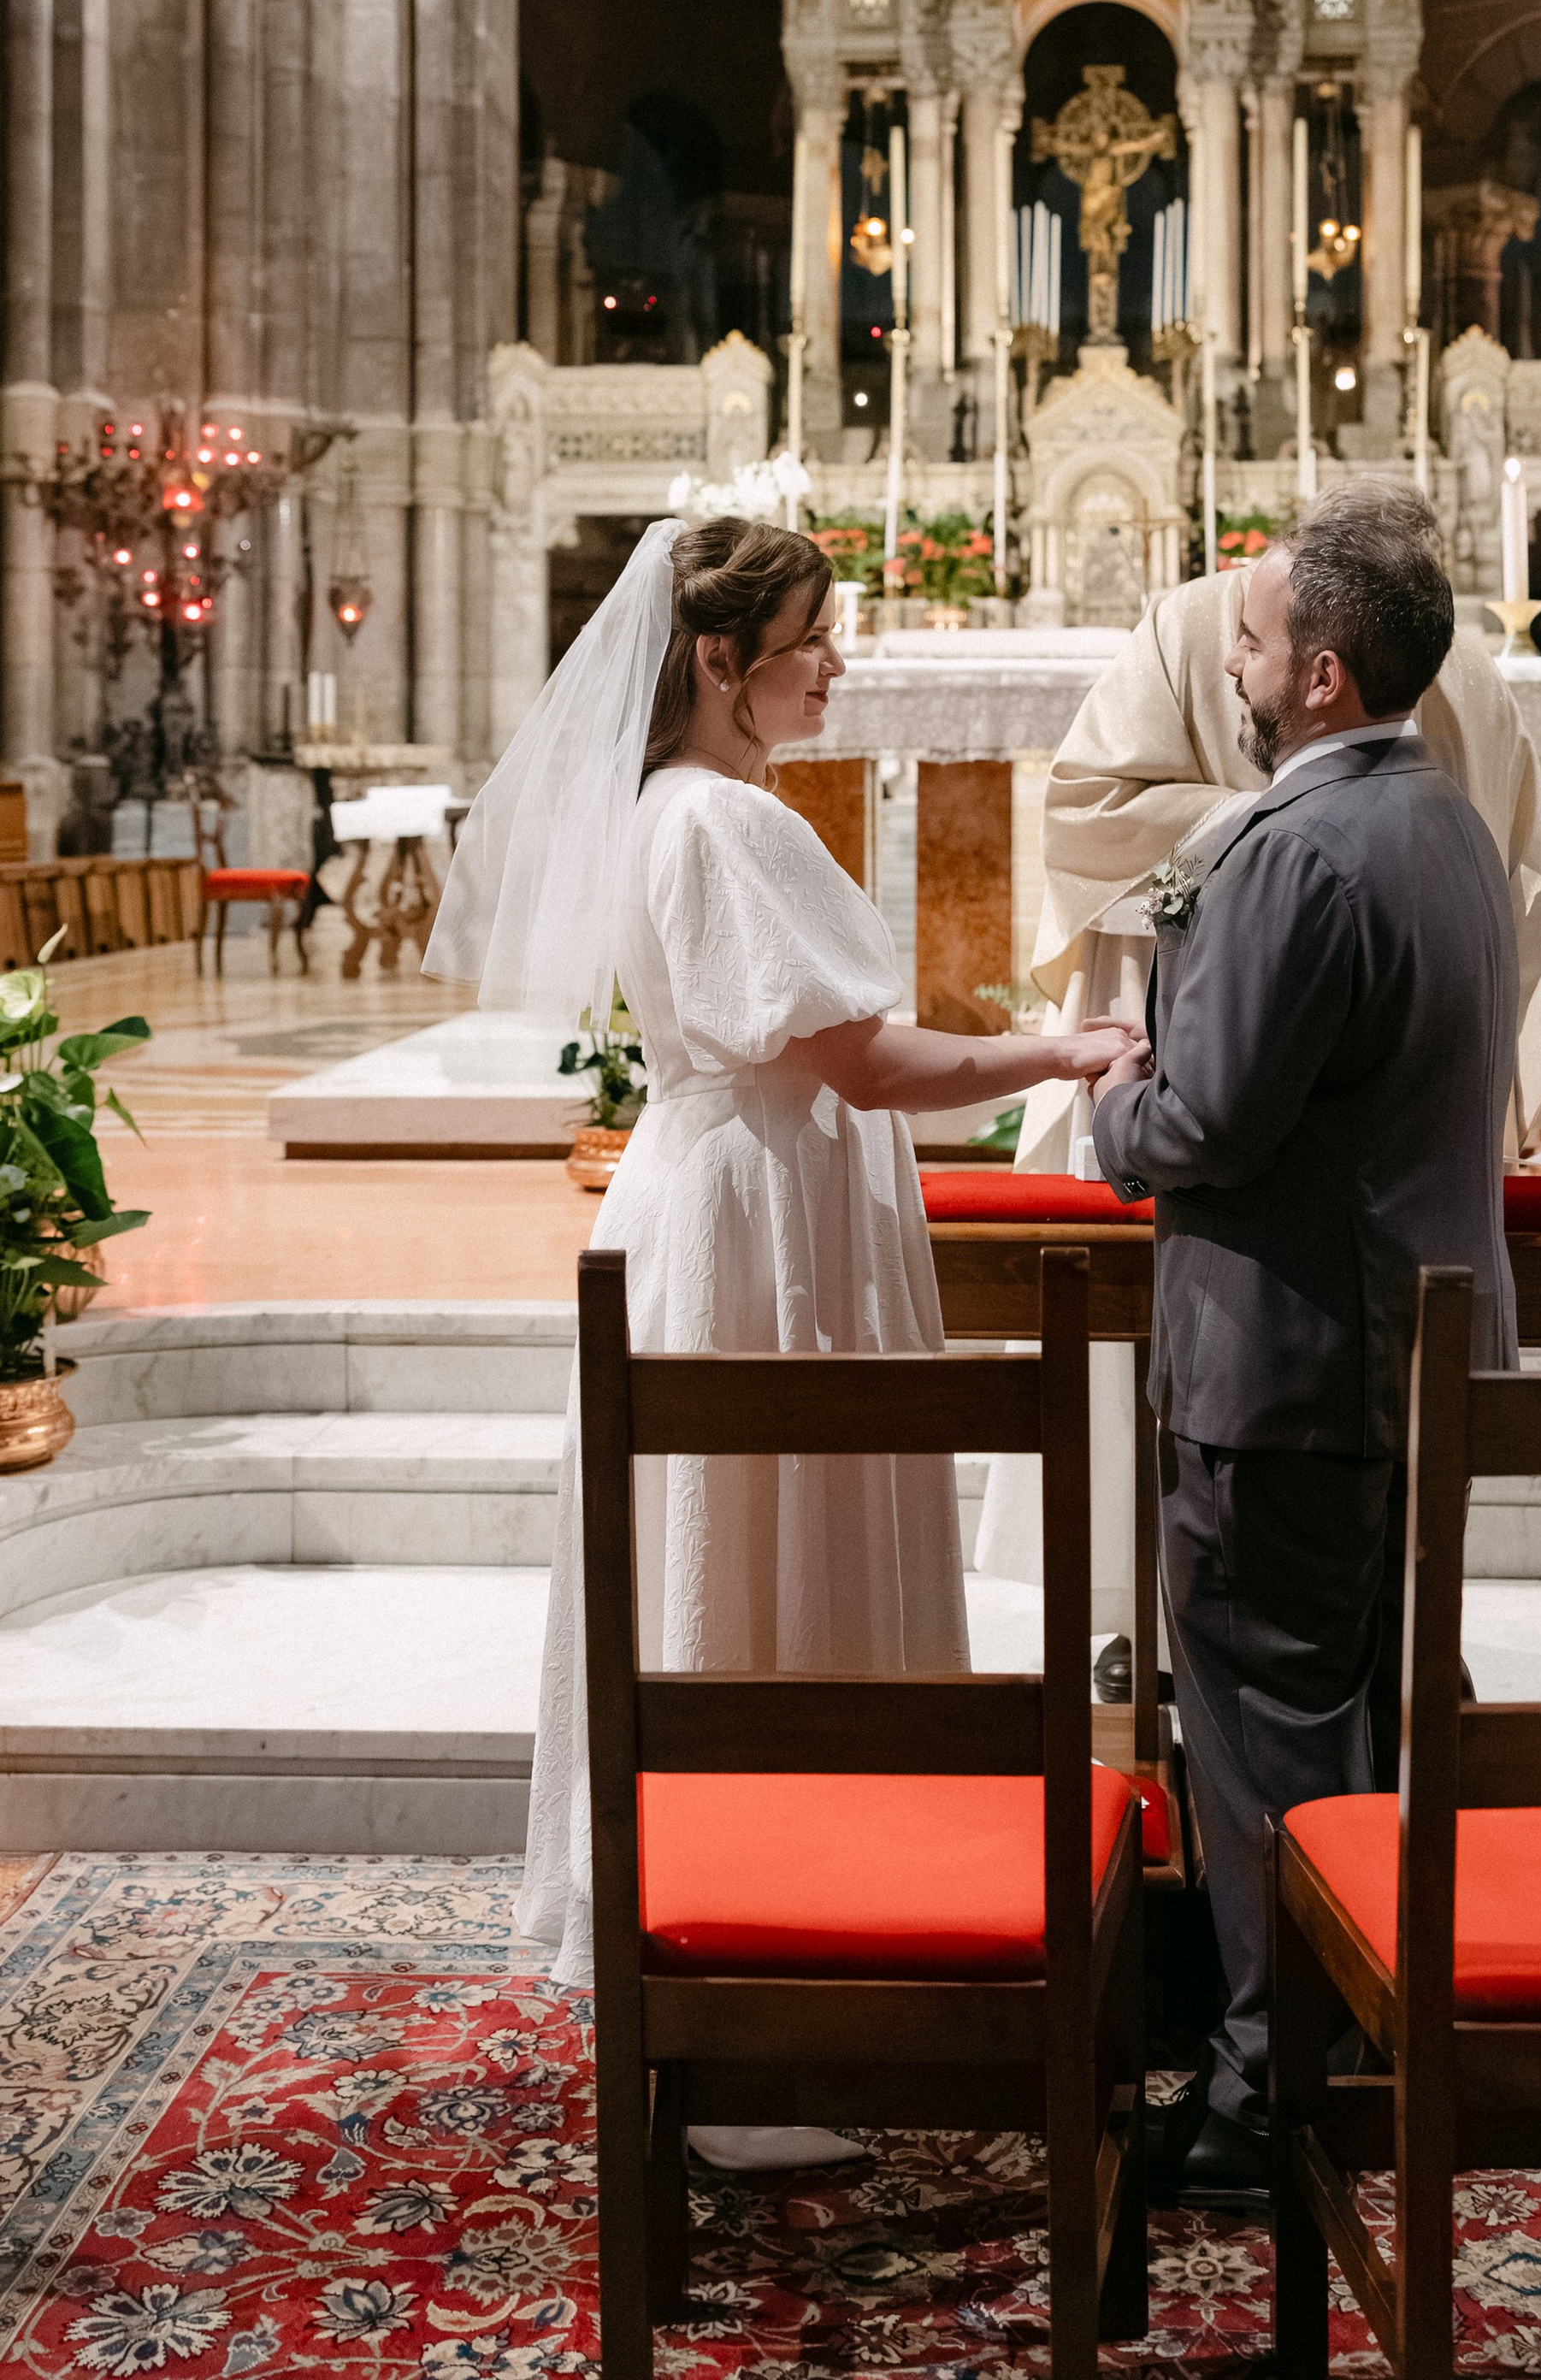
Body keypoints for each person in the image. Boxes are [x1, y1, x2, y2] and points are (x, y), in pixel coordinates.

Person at [427, 516, 1139, 2149]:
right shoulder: (721, 826)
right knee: (767, 1551)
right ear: (718, 661)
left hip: (729, 1198)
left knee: (735, 1552)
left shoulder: (674, 809)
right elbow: (868, 1066)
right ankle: (766, 1991)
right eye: (815, 638)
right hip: (762, 1226)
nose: (841, 663)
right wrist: (1064, 1053)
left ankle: (761, 1947)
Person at [1090, 487, 1518, 2202]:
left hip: (1287, 1370)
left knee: (1265, 1730)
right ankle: (1349, 2034)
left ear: (1323, 676)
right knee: (1350, 1720)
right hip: (1410, 1353)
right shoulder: (1448, 828)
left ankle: (1269, 2091)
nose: (1236, 659)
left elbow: (1204, 1118)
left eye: (1255, 637)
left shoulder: (1296, 850)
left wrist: (1121, 1108)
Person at [1019, 487, 1541, 1176]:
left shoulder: (1463, 672)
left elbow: (1524, 889)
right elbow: (1085, 810)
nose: (1234, 664)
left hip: (1396, 1078)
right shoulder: (1190, 627)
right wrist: (1275, 825)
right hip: (1190, 1028)